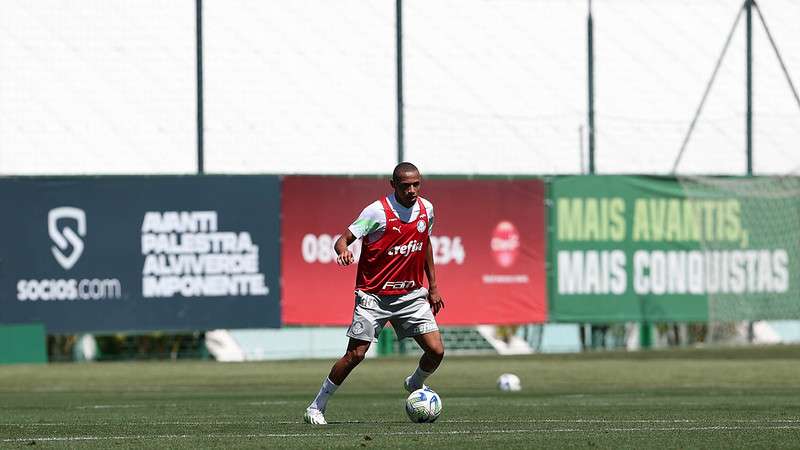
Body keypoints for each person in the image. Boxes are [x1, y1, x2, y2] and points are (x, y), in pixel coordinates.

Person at [303, 162, 445, 425]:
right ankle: (316, 406)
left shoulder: (427, 209)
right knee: (356, 354)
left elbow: (425, 245)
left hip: (411, 295)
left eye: (416, 184)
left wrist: (433, 287)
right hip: (374, 297)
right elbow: (342, 240)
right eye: (405, 186)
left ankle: (415, 382)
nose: (412, 190)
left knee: (436, 351)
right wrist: (343, 251)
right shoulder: (376, 212)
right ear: (393, 185)